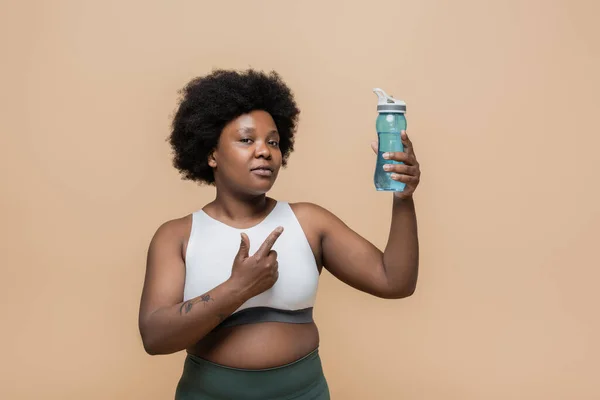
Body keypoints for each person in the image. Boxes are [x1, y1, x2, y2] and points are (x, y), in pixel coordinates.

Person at [138, 69, 421, 399]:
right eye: (247, 140)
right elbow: (154, 338)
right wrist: (238, 288)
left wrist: (403, 199)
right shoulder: (177, 236)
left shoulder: (309, 222)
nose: (264, 151)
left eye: (273, 142)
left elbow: (395, 282)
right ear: (212, 153)